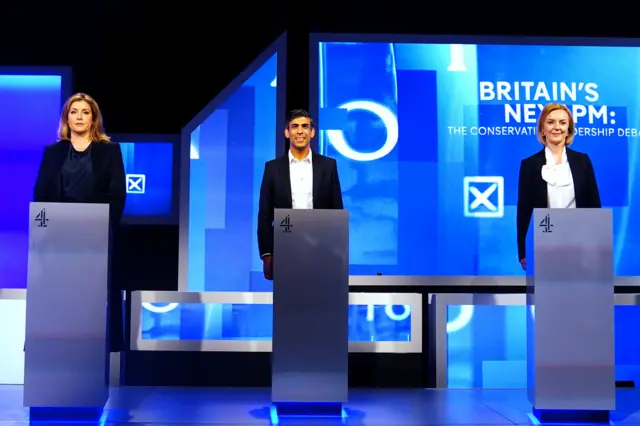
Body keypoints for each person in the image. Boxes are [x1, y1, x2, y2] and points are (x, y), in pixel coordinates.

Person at [33, 92, 126, 351]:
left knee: (92, 302)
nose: (79, 117)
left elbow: (117, 195)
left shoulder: (109, 151)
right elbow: (40, 196)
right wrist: (42, 230)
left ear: (94, 118)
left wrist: (97, 227)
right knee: (59, 300)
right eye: (74, 112)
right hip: (57, 243)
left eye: (85, 112)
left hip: (95, 241)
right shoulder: (53, 152)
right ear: (66, 118)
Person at [257, 109, 344, 280]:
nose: (300, 131)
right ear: (287, 132)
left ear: (312, 132)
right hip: (285, 246)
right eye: (294, 126)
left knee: (321, 301)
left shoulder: (328, 166)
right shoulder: (272, 168)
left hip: (323, 247)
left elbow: (337, 212)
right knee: (288, 303)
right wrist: (266, 254)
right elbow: (265, 215)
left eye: (305, 126)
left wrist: (338, 250)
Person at [516, 103, 601, 271]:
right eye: (551, 122)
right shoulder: (529, 165)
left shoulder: (582, 161)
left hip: (580, 244)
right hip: (545, 244)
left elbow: (594, 206)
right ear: (542, 129)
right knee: (549, 295)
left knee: (580, 293)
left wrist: (598, 246)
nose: (557, 127)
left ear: (569, 129)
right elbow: (524, 211)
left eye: (562, 123)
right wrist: (523, 251)